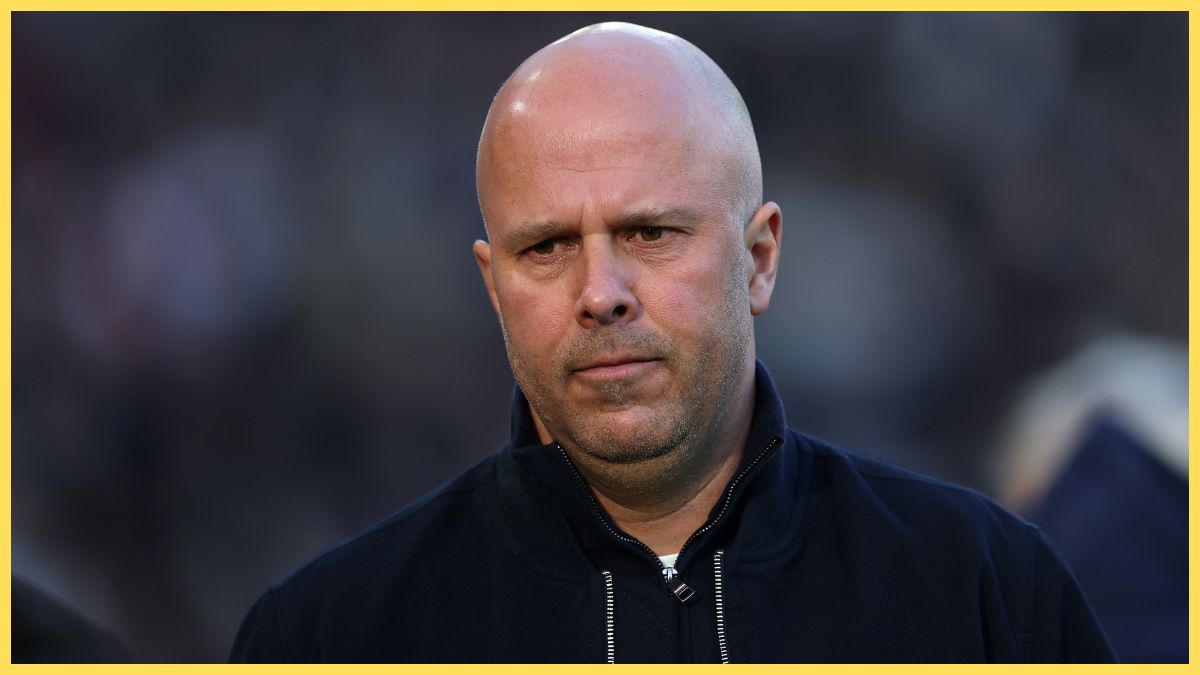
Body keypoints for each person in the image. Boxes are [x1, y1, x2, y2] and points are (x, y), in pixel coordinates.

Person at [229, 22, 1116, 663]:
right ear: (494, 286)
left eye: (651, 233)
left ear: (759, 258)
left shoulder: (984, 598)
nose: (601, 294)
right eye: (547, 247)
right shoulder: (329, 636)